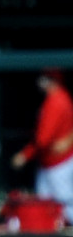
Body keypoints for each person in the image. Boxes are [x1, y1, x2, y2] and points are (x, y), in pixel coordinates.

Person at [11, 70, 73, 226]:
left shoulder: (57, 101)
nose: (40, 82)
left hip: (59, 161)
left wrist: (25, 155)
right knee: (45, 201)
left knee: (65, 202)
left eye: (44, 78)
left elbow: (43, 140)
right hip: (50, 161)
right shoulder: (59, 98)